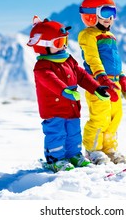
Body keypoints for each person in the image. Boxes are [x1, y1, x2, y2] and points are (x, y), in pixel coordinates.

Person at [27, 16, 111, 172]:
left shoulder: (68, 59)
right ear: (43, 46)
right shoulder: (42, 66)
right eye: (59, 43)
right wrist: (64, 91)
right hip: (54, 110)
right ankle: (55, 159)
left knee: (73, 133)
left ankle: (74, 155)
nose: (64, 46)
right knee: (56, 134)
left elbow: (81, 75)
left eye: (64, 42)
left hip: (72, 107)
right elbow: (50, 80)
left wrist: (96, 88)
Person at [78, 0, 126, 165]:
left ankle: (109, 149)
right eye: (106, 12)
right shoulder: (88, 35)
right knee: (100, 117)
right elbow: (92, 59)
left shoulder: (110, 35)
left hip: (114, 82)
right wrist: (102, 78)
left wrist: (122, 78)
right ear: (91, 15)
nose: (110, 18)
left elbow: (114, 62)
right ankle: (93, 150)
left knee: (115, 117)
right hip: (98, 84)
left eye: (113, 13)